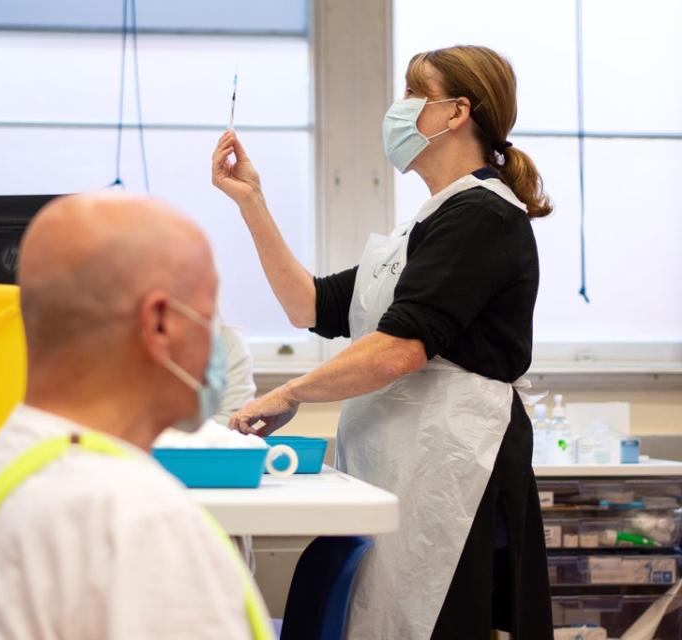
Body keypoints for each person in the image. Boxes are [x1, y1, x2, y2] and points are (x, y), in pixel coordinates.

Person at [211, 45, 553, 639]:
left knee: (437, 619)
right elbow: (308, 305)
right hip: (406, 458)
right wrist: (252, 202)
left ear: (456, 113)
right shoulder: (422, 226)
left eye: (413, 95)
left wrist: (290, 392)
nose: (398, 109)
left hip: (454, 466)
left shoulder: (483, 216)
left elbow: (400, 348)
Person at [0, 192, 274, 639]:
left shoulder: (10, 460)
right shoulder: (137, 522)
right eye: (208, 317)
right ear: (159, 324)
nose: (216, 341)